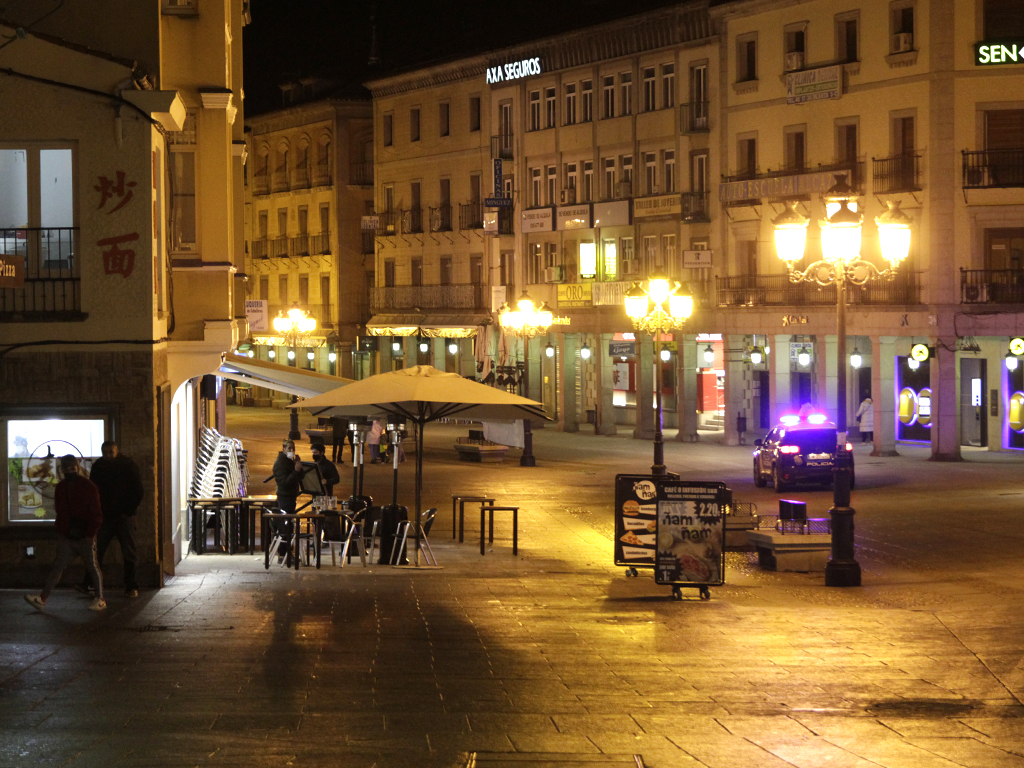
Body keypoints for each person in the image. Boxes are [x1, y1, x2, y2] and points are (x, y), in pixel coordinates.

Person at [25, 455, 106, 611]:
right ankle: (43, 598)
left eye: (72, 468)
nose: (70, 471)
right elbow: (61, 510)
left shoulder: (85, 486)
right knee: (65, 566)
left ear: (77, 467)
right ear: (62, 469)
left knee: (89, 566)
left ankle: (100, 597)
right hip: (71, 534)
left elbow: (95, 513)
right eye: (67, 469)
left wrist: (89, 533)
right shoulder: (68, 487)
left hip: (79, 534)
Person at [81, 441, 143, 598]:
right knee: (99, 550)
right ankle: (91, 583)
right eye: (106, 452)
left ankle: (130, 585)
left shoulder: (126, 466)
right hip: (110, 515)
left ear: (117, 451)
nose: (108, 455)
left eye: (111, 452)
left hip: (121, 515)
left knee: (127, 552)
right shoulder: (102, 466)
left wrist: (129, 511)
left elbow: (137, 490)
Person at [272, 439, 306, 563]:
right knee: (285, 528)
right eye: (289, 448)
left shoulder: (289, 461)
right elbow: (285, 483)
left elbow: (299, 477)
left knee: (289, 526)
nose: (292, 451)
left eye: (293, 448)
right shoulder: (281, 463)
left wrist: (298, 466)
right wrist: (296, 471)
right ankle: (284, 555)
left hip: (290, 498)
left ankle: (288, 554)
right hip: (284, 498)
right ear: (284, 449)